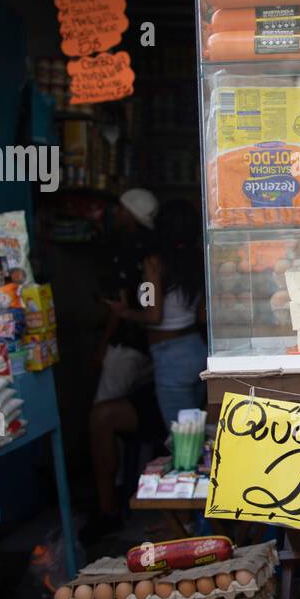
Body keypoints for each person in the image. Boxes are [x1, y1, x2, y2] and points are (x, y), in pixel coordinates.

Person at [86, 199, 207, 542]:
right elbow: (200, 314)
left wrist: (123, 313)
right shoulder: (197, 261)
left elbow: (152, 315)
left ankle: (187, 524)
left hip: (169, 355)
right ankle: (189, 520)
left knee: (183, 445)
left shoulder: (154, 262)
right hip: (194, 351)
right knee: (194, 433)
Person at [92, 188, 159, 405]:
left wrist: (103, 346)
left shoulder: (130, 253)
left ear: (130, 213)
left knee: (105, 408)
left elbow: (121, 306)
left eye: (121, 208)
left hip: (127, 344)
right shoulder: (151, 249)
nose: (116, 213)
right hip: (149, 344)